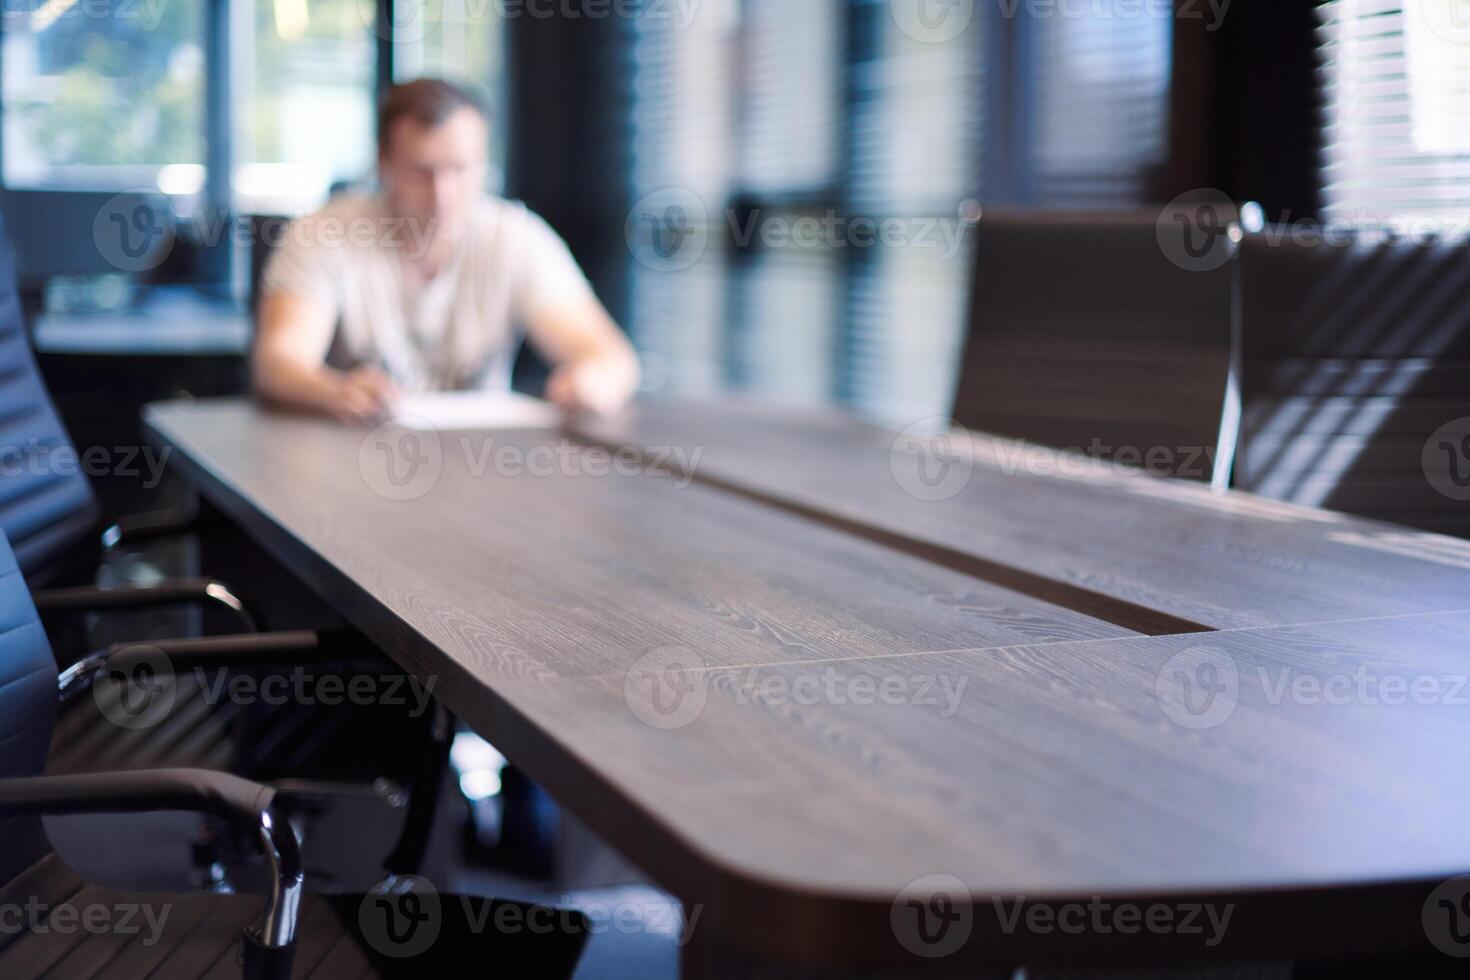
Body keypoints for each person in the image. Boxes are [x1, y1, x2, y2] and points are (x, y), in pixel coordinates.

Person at [252, 78, 638, 423]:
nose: (443, 195)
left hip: (482, 467)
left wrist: (595, 380)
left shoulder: (516, 238)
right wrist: (334, 392)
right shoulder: (324, 235)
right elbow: (278, 362)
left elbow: (612, 357)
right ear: (384, 163)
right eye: (422, 172)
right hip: (356, 455)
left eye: (460, 169)